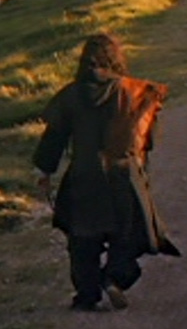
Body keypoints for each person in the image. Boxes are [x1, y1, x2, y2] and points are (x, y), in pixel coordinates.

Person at [33, 32, 179, 311]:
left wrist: (45, 171)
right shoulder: (134, 92)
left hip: (83, 176)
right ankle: (113, 276)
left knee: (82, 239)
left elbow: (54, 139)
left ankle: (86, 296)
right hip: (124, 175)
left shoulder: (70, 95)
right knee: (126, 233)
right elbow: (146, 139)